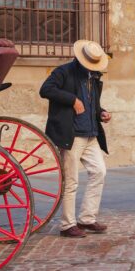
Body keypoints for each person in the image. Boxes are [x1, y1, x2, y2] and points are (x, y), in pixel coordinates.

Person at [40, 40, 112, 238]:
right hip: (71, 135)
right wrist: (72, 99)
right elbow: (45, 90)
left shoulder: (94, 77)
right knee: (71, 181)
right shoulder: (63, 72)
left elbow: (93, 105)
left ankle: (87, 219)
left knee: (99, 172)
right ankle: (67, 225)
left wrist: (102, 113)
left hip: (90, 134)